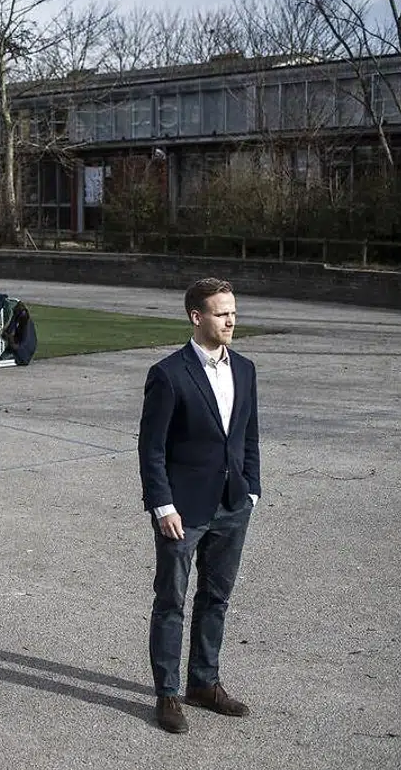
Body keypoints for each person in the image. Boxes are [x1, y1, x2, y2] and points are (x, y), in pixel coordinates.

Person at [138, 277, 261, 735]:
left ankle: (204, 683)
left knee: (216, 598)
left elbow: (249, 435)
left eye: (233, 312)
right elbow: (151, 448)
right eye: (221, 313)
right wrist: (162, 506)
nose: (230, 320)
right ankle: (168, 693)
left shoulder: (245, 369)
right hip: (182, 511)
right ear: (197, 317)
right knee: (171, 601)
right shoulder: (168, 374)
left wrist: (252, 490)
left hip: (232, 505)